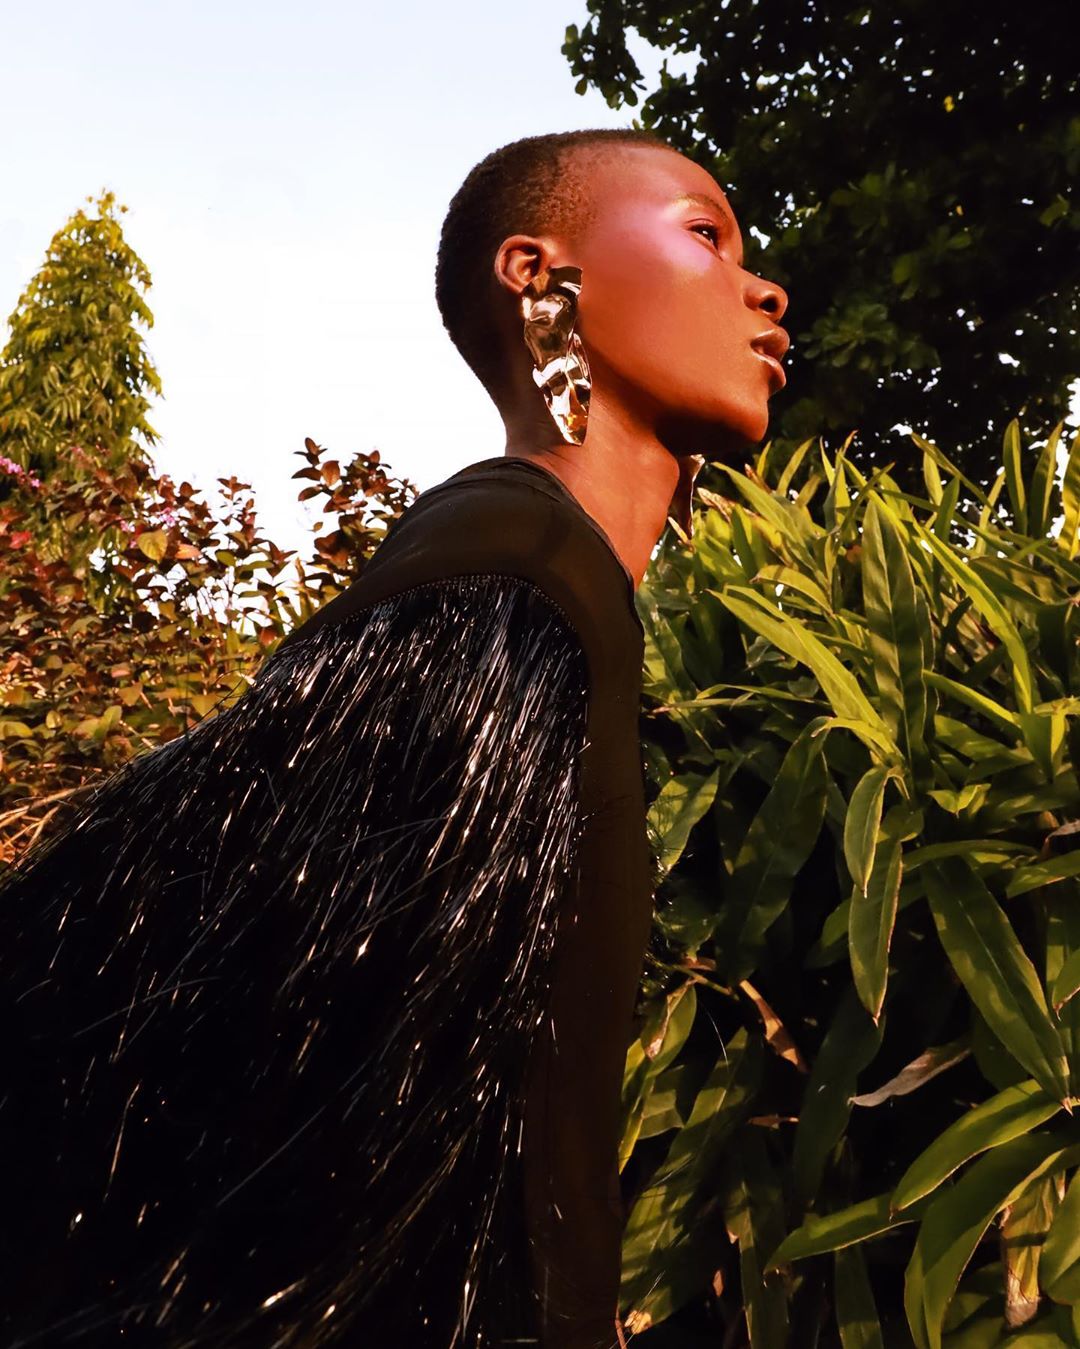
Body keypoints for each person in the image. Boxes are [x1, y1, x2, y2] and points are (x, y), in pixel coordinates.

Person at [0, 128, 787, 1348]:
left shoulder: (546, 582)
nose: (765, 286)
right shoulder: (515, 571)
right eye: (705, 233)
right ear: (540, 277)